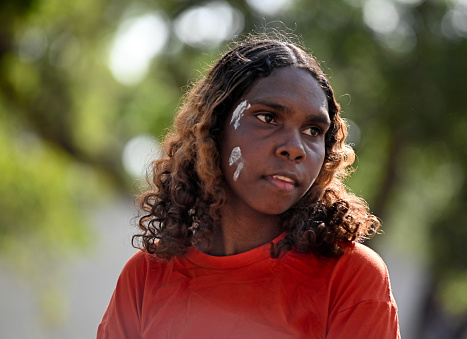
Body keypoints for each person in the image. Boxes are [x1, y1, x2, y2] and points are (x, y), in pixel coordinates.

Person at [97, 35, 400, 338]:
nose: (295, 148)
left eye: (313, 130)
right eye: (268, 118)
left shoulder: (351, 278)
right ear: (214, 129)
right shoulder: (147, 276)